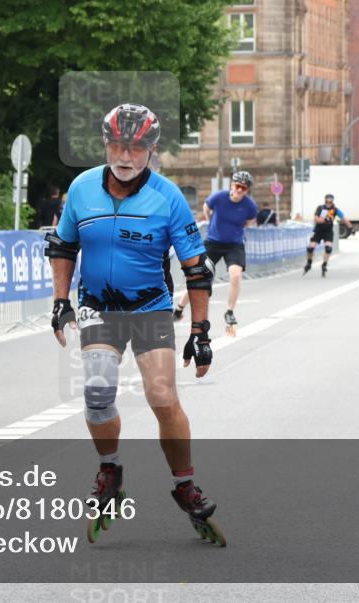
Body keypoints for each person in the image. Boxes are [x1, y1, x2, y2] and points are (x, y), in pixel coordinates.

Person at [47, 103, 224, 545]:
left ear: (152, 149)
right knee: (98, 391)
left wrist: (200, 332)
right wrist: (59, 301)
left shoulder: (168, 198)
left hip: (149, 307)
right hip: (98, 308)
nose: (125, 156)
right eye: (117, 145)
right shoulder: (82, 188)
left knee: (162, 396)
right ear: (105, 144)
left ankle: (184, 483)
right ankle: (110, 469)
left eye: (136, 148)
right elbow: (64, 248)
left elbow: (197, 270)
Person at [173, 171, 258, 335]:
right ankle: (179, 308)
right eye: (238, 186)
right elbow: (207, 208)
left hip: (234, 244)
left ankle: (230, 312)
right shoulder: (219, 197)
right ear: (232, 186)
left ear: (247, 190)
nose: (240, 190)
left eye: (244, 188)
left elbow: (249, 221)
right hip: (214, 242)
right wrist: (212, 222)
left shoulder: (249, 205)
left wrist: (236, 231)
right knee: (200, 277)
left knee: (235, 275)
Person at [303, 193, 351, 277]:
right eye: (327, 201)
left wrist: (350, 225)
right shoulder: (321, 208)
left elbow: (343, 218)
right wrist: (325, 219)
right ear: (325, 201)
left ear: (332, 202)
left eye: (330, 202)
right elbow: (317, 220)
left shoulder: (335, 210)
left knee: (328, 248)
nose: (328, 203)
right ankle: (309, 262)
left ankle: (324, 264)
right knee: (310, 248)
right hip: (318, 230)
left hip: (328, 231)